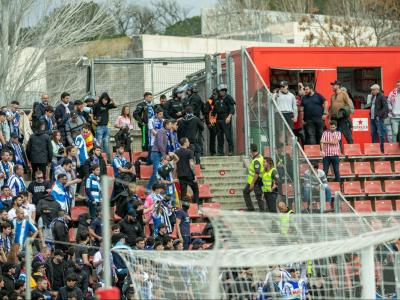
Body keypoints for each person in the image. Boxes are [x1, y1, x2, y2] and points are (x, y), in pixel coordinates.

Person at [147, 120, 171, 191]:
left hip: (160, 154)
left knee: (159, 172)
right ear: (166, 125)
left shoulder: (166, 132)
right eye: (169, 124)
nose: (170, 125)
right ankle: (148, 189)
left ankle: (158, 188)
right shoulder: (161, 131)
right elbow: (160, 144)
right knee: (155, 172)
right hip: (156, 154)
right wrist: (164, 155)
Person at [93, 92, 117, 159]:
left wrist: (112, 99)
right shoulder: (97, 105)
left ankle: (107, 159)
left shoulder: (107, 105)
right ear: (101, 99)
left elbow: (115, 105)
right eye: (104, 100)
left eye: (106, 100)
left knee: (106, 143)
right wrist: (93, 120)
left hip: (106, 127)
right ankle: (98, 158)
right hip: (99, 127)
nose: (105, 101)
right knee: (99, 143)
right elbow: (91, 112)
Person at [175, 137, 199, 204]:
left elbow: (175, 164)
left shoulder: (176, 152)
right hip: (189, 175)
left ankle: (184, 208)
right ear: (185, 143)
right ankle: (196, 206)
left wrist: (175, 175)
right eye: (188, 141)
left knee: (183, 192)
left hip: (181, 175)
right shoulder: (189, 152)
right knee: (196, 190)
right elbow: (191, 164)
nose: (189, 143)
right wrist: (194, 175)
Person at [214, 84, 235, 156]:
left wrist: (229, 117)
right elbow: (214, 110)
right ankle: (220, 151)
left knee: (228, 135)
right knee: (219, 136)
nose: (222, 92)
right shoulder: (217, 99)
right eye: (220, 91)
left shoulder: (228, 98)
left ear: (225, 91)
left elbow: (232, 108)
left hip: (226, 118)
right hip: (218, 119)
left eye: (223, 91)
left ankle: (231, 150)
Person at [365, 84, 388, 152]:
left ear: (377, 90)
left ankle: (382, 149)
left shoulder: (382, 96)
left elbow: (385, 108)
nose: (372, 91)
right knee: (373, 134)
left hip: (378, 118)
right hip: (372, 118)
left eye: (373, 90)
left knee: (381, 134)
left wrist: (379, 115)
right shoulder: (373, 97)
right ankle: (374, 149)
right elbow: (373, 106)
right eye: (371, 90)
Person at [243, 144, 264, 212]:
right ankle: (253, 209)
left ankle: (260, 211)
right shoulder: (260, 156)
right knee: (246, 192)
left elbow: (257, 173)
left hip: (255, 181)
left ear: (251, 151)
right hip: (256, 180)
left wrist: (252, 183)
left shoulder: (256, 160)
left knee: (258, 197)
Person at [204, 89, 218, 156]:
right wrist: (208, 123)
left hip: (218, 121)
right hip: (211, 122)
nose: (215, 95)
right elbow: (206, 113)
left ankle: (220, 151)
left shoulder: (219, 100)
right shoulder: (209, 101)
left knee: (220, 136)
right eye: (214, 94)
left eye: (216, 94)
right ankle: (212, 152)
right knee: (212, 137)